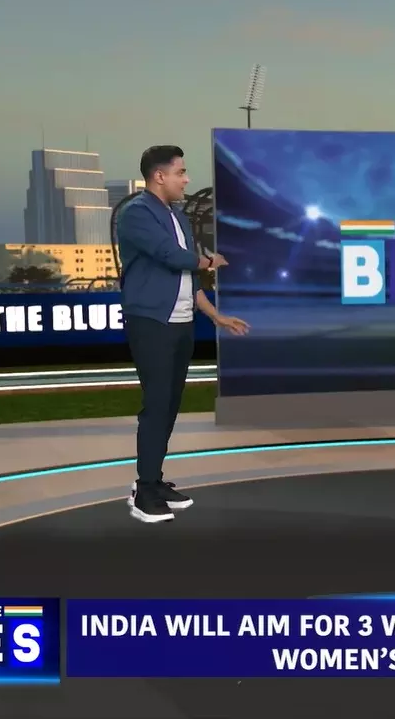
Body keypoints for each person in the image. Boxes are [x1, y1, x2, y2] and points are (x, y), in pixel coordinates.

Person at [116, 145, 250, 525]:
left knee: (170, 404)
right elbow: (169, 256)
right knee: (157, 404)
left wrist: (216, 316)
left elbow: (188, 279)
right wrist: (209, 260)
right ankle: (144, 490)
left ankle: (155, 480)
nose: (187, 180)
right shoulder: (136, 213)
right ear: (159, 176)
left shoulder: (177, 216)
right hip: (151, 322)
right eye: (181, 172)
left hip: (181, 323)